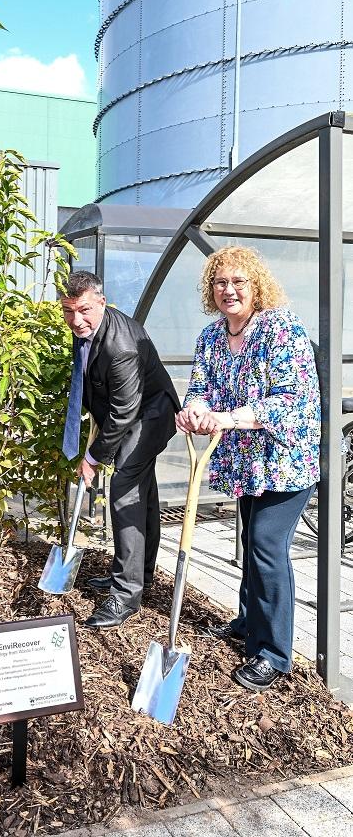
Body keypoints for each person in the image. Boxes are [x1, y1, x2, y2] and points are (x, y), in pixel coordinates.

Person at [176, 246, 320, 693]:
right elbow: (200, 387)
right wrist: (194, 411)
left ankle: (274, 653)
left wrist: (227, 417)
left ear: (256, 286)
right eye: (220, 282)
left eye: (239, 281)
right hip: (245, 462)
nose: (229, 290)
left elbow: (290, 399)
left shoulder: (281, 330)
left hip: (284, 459)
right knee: (248, 539)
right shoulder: (212, 337)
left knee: (264, 545)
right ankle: (247, 622)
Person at [60, 271, 180, 628]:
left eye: (83, 310)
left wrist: (94, 457)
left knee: (125, 489)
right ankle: (138, 574)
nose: (76, 320)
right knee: (142, 493)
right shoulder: (88, 328)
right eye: (68, 311)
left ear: (101, 301)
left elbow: (124, 411)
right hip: (129, 412)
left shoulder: (121, 345)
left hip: (150, 414)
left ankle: (126, 596)